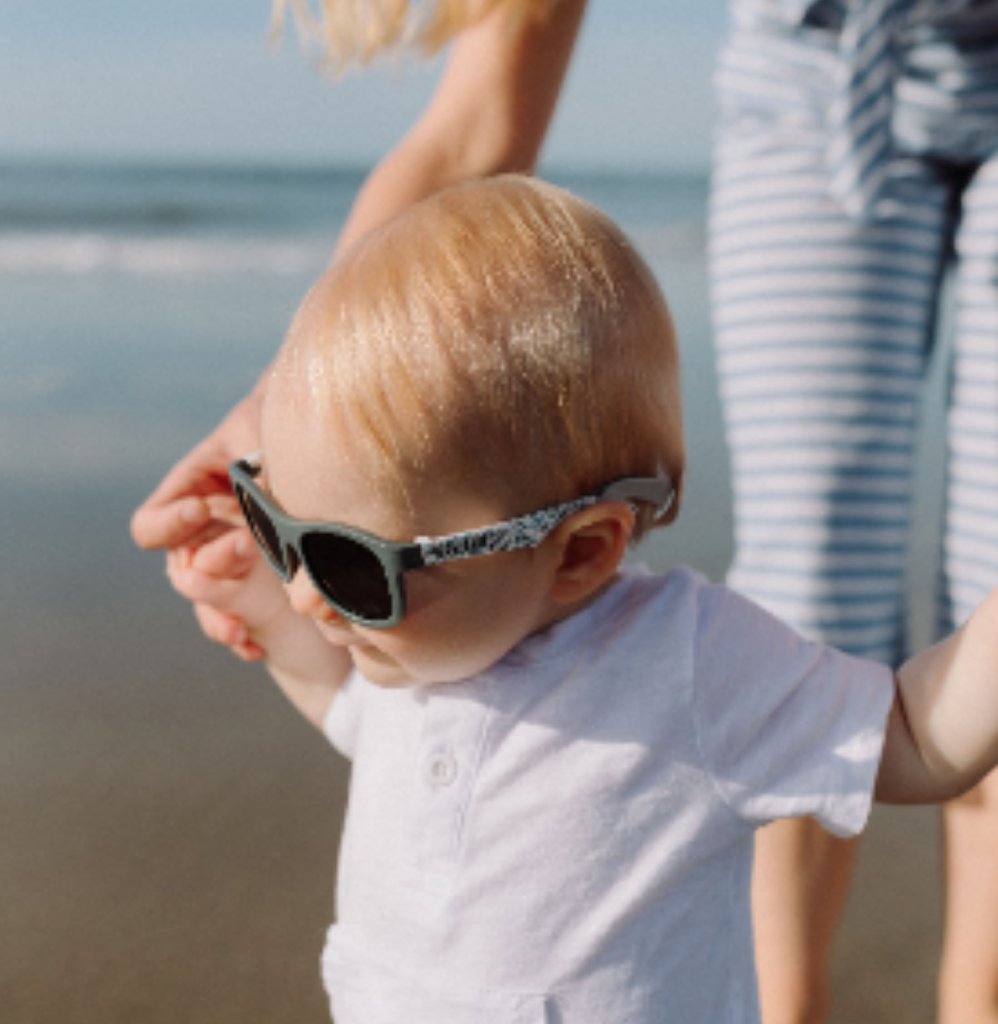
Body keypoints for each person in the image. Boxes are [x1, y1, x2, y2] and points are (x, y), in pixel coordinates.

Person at [133, 2, 998, 1020]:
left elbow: (906, 733)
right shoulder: (416, 646)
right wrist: (270, 602)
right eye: (284, 533)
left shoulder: (690, 665)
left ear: (582, 551)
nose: (317, 595)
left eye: (351, 561)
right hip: (810, 66)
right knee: (817, 555)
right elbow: (345, 703)